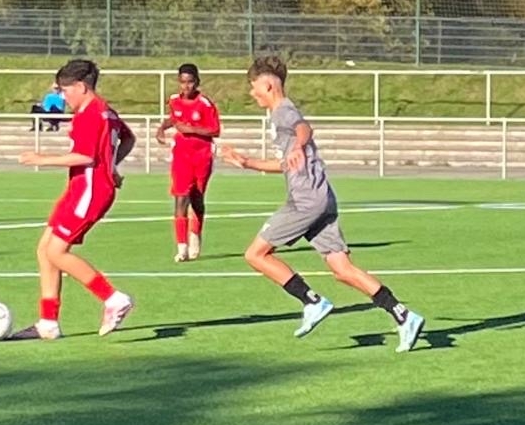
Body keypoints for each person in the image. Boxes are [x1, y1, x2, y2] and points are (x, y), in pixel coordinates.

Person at [219, 54, 425, 352]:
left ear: (268, 86)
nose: (252, 93)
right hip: (322, 197)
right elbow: (287, 163)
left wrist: (298, 145)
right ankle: (403, 315)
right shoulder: (279, 114)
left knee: (255, 254)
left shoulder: (283, 111)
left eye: (254, 87)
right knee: (342, 269)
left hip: (305, 200)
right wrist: (246, 161)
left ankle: (311, 301)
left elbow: (304, 128)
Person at [11, 58, 136, 340]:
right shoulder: (106, 111)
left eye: (65, 91)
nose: (63, 97)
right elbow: (128, 139)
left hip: (90, 191)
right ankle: (48, 323)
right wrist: (112, 166)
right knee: (44, 249)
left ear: (81, 86)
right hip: (81, 188)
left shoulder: (90, 114)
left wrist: (42, 158)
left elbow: (85, 156)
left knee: (56, 252)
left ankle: (113, 298)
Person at [156, 63, 221, 261]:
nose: (186, 86)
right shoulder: (174, 101)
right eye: (183, 82)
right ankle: (182, 248)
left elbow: (215, 130)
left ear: (197, 82)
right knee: (180, 197)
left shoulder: (205, 104)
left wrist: (191, 130)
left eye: (190, 82)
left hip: (201, 156)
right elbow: (174, 119)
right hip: (181, 156)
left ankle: (195, 236)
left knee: (197, 199)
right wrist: (162, 128)